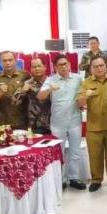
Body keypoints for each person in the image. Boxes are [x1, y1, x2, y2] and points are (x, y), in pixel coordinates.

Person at [40, 55, 86, 190]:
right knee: (58, 153)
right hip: (57, 123)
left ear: (69, 64)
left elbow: (83, 95)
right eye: (60, 65)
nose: (64, 67)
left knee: (75, 151)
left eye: (65, 64)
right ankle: (60, 179)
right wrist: (49, 89)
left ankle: (74, 178)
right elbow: (40, 96)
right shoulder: (50, 80)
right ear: (55, 67)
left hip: (75, 121)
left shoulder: (78, 78)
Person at [78, 55, 107, 192]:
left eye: (101, 65)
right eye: (96, 66)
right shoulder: (86, 83)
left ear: (106, 66)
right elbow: (79, 103)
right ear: (91, 69)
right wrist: (86, 95)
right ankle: (96, 180)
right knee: (95, 156)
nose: (99, 68)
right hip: (93, 126)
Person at [0, 50, 30, 129]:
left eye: (10, 60)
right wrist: (0, 93)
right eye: (4, 61)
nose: (8, 63)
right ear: (0, 63)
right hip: (2, 122)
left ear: (15, 61)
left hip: (22, 121)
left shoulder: (25, 75)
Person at [14, 57, 51, 135]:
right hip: (34, 125)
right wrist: (23, 91)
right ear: (30, 69)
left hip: (53, 124)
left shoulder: (52, 82)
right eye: (34, 67)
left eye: (39, 66)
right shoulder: (27, 83)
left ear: (45, 67)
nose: (37, 69)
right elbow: (14, 102)